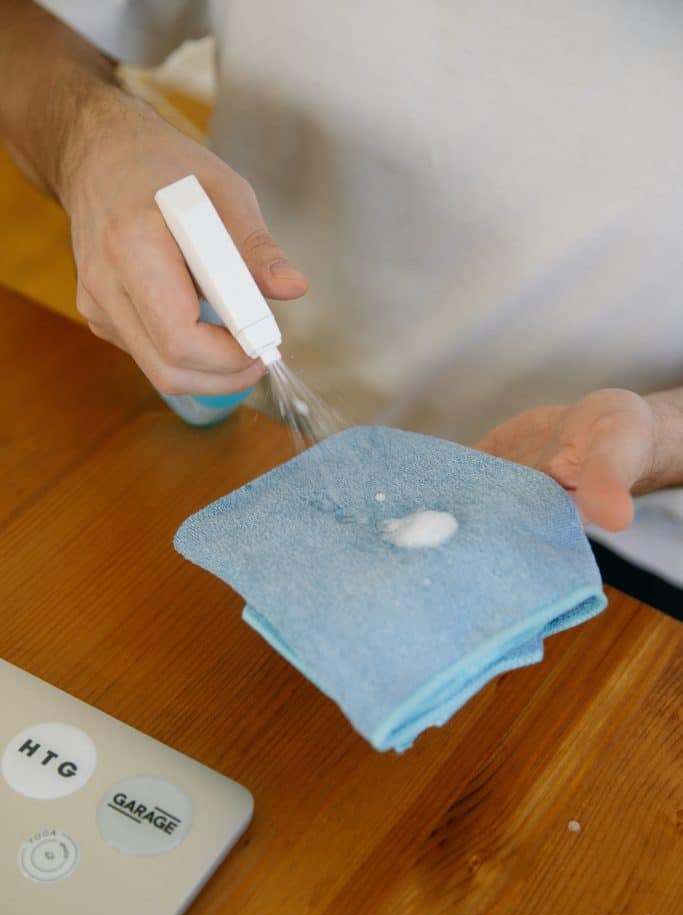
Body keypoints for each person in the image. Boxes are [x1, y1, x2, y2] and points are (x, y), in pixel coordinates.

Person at [1, 0, 681, 616]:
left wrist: (659, 436)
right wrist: (89, 140)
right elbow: (24, 30)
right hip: (249, 431)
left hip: (609, 539)